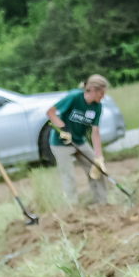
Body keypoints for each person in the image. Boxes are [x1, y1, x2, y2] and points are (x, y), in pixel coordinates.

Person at [44, 75, 110, 207]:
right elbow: (50, 112)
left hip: (79, 141)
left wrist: (99, 157)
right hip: (60, 144)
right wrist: (63, 128)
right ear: (92, 89)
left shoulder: (98, 107)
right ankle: (72, 210)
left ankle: (103, 205)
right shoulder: (74, 97)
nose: (103, 96)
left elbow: (95, 133)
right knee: (69, 177)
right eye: (101, 93)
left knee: (97, 171)